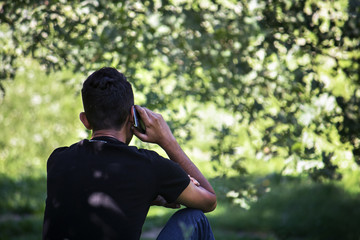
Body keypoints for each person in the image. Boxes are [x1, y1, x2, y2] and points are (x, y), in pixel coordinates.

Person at [42, 67, 217, 240]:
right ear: (133, 115)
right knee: (195, 218)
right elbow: (209, 201)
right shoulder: (150, 166)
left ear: (85, 120)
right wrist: (167, 141)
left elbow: (89, 194)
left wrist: (147, 194)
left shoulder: (59, 160)